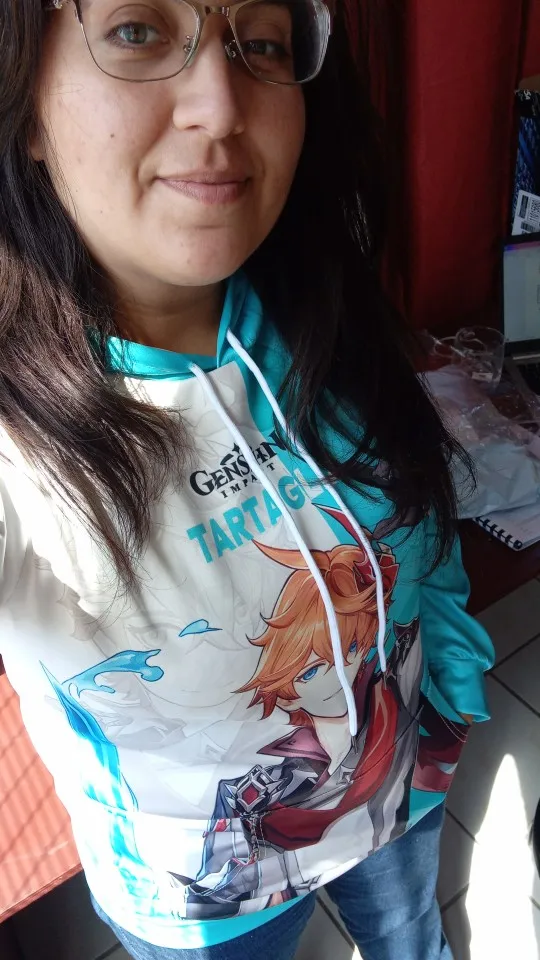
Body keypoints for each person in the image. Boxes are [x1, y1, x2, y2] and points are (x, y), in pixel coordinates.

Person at [0, 1, 494, 959]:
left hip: (401, 780)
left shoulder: (320, 308)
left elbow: (419, 519)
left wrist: (451, 672)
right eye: (138, 30)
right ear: (24, 100)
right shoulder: (19, 440)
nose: (221, 105)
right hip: (210, 899)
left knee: (414, 943)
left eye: (259, 41)